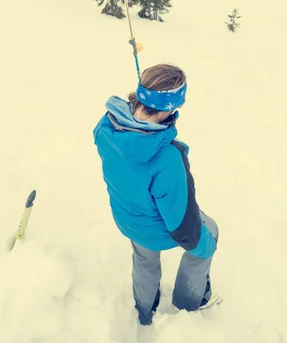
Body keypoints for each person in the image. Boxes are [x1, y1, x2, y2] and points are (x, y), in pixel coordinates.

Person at [93, 63, 219, 326]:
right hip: (154, 227)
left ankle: (144, 310)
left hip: (127, 218)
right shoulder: (166, 159)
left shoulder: (107, 126)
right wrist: (205, 247)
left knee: (144, 258)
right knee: (209, 233)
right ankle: (189, 302)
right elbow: (183, 226)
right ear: (170, 108)